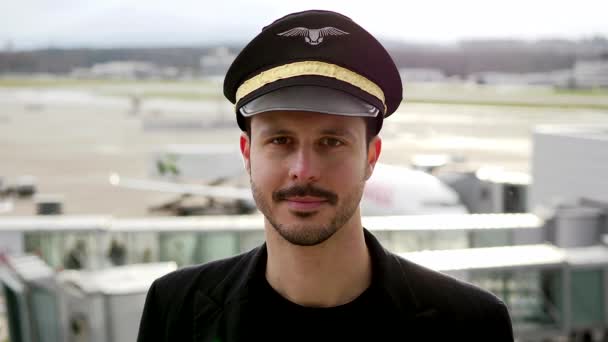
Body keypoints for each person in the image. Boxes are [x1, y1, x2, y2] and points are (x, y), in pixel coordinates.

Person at [137, 10, 513, 341]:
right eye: (281, 140)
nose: (304, 170)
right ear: (248, 154)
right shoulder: (175, 311)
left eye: (331, 142)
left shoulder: (472, 326)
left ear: (371, 156)